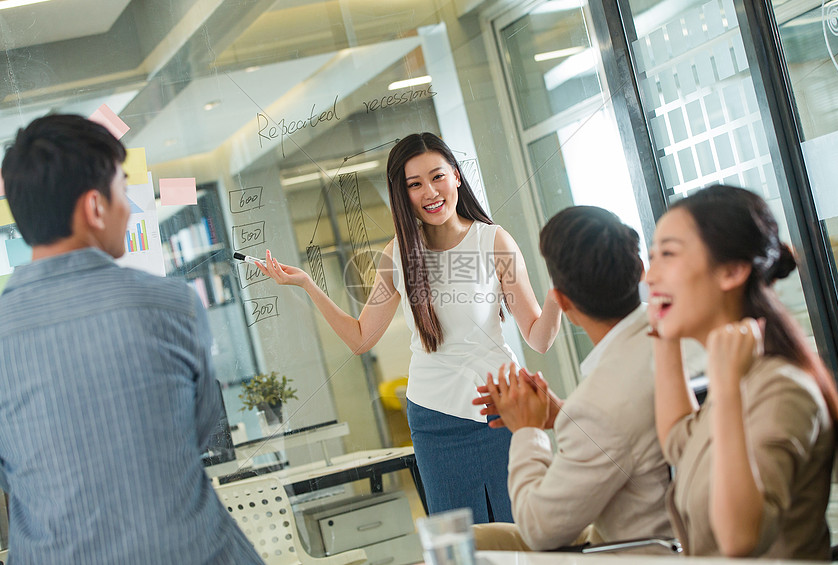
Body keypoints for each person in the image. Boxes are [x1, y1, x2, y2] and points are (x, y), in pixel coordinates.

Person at [257, 132, 562, 522]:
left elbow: (539, 338)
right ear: (403, 194)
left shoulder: (494, 242)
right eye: (414, 184)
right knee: (462, 545)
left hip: (501, 410)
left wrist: (558, 291)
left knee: (524, 528)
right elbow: (361, 338)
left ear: (455, 176)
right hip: (434, 420)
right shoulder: (397, 255)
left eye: (437, 177)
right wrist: (307, 284)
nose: (429, 192)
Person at [0, 115, 264, 564]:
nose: (130, 208)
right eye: (123, 191)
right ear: (94, 208)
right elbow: (196, 431)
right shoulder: (172, 304)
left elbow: (12, 475)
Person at [646, 184, 838, 559]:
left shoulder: (781, 389)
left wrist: (727, 391)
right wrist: (663, 338)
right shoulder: (746, 375)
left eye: (667, 254)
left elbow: (740, 538)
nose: (650, 276)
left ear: (730, 271)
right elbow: (681, 442)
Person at [471, 206, 674, 551]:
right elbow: (631, 428)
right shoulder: (679, 339)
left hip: (639, 551)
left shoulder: (599, 403)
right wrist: (562, 414)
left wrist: (528, 431)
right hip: (684, 531)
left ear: (562, 303)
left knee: (479, 543)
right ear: (641, 271)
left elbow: (539, 530)